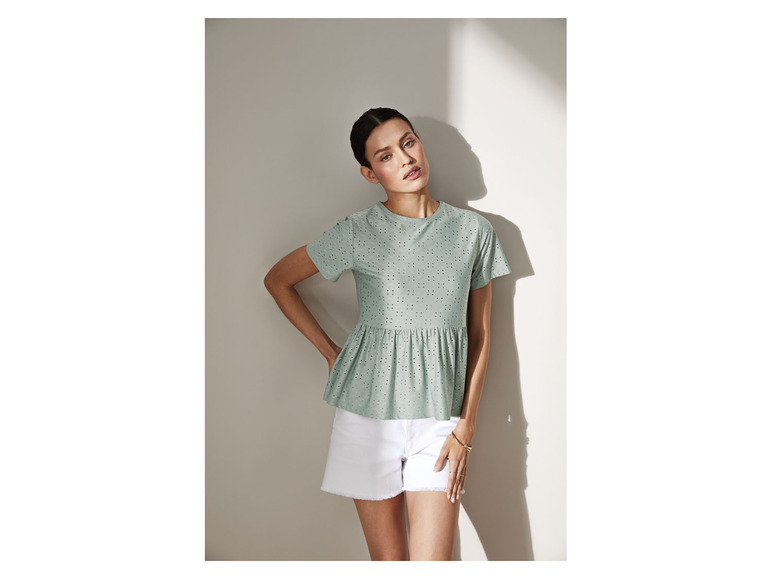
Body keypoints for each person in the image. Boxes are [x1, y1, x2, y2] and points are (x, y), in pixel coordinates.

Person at [264, 107, 511, 561]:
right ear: (369, 172)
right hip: (366, 416)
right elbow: (278, 280)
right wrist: (329, 351)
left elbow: (480, 335)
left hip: (440, 418)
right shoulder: (358, 231)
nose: (405, 159)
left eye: (408, 142)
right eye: (385, 155)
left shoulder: (474, 231)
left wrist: (466, 425)